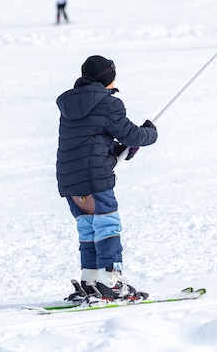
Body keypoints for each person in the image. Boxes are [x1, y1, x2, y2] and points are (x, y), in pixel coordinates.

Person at [56, 55, 158, 302]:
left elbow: (87, 141)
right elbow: (132, 134)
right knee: (107, 225)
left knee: (89, 227)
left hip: (70, 179)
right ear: (107, 78)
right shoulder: (108, 103)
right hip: (95, 179)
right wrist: (149, 134)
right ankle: (110, 281)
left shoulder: (70, 105)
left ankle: (90, 279)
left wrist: (117, 150)